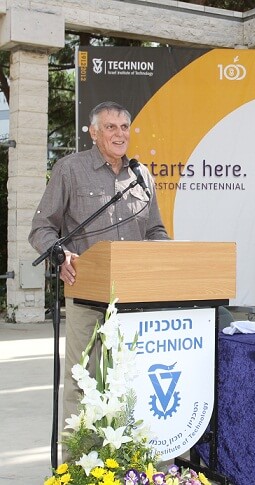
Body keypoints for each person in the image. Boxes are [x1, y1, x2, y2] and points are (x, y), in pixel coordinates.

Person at [28, 101, 169, 428]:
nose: (119, 134)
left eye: (124, 127)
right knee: (83, 384)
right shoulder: (70, 169)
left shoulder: (141, 175)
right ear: (93, 132)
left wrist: (166, 258)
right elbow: (42, 228)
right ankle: (77, 470)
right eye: (110, 127)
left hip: (135, 299)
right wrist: (60, 253)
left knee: (130, 382)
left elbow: (155, 230)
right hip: (87, 296)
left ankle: (128, 467)